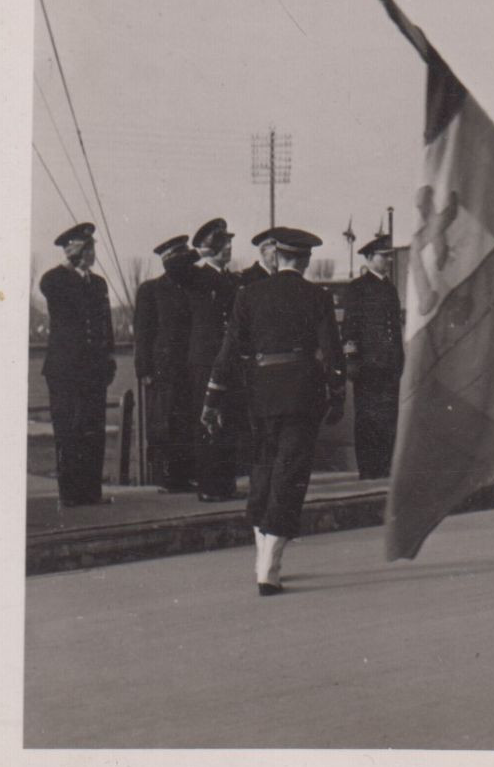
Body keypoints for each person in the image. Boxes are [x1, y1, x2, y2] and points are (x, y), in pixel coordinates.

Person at [203, 228, 345, 596]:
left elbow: (230, 350)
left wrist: (212, 398)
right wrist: (338, 391)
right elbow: (331, 350)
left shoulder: (248, 294)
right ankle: (270, 564)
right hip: (302, 393)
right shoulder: (317, 296)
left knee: (263, 468)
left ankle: (262, 554)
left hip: (261, 393)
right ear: (306, 259)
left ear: (277, 256)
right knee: (291, 473)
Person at [39, 222, 117, 507]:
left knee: (92, 430)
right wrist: (71, 267)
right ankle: (71, 494)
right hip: (66, 371)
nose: (92, 252)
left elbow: (104, 323)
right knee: (69, 430)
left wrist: (108, 356)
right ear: (74, 251)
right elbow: (55, 293)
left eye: (92, 247)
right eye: (87, 248)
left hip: (93, 371)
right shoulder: (55, 280)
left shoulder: (97, 283)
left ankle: (91, 492)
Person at [173, 218, 242, 502]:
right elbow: (173, 268)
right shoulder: (196, 276)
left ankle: (226, 484)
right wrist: (199, 252)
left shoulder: (231, 279)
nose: (227, 249)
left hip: (229, 360)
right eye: (221, 244)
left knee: (230, 421)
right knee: (207, 421)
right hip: (204, 360)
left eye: (228, 243)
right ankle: (209, 486)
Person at [134, 235, 197, 492]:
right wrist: (145, 369)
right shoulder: (151, 290)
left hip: (190, 366)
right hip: (164, 369)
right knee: (165, 423)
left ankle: (186, 475)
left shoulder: (194, 287)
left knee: (187, 421)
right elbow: (143, 332)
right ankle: (168, 478)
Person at [340, 234, 405, 480]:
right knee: (368, 420)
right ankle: (369, 469)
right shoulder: (357, 289)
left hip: (389, 366)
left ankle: (385, 466)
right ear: (369, 258)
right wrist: (352, 361)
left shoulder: (390, 288)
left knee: (388, 418)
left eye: (389, 257)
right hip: (368, 368)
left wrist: (399, 361)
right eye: (383, 257)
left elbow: (393, 329)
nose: (388, 261)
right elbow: (350, 329)